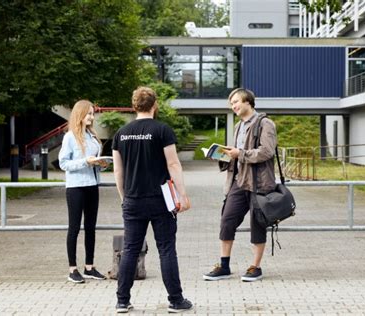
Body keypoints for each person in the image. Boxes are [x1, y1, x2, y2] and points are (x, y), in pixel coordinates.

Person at [112, 86, 193, 314]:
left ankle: (122, 301)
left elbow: (118, 171)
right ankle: (176, 301)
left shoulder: (121, 134)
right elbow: (173, 164)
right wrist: (182, 195)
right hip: (161, 200)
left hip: (133, 200)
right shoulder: (162, 130)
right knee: (167, 249)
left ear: (133, 106)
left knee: (130, 249)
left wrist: (124, 197)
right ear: (154, 105)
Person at [203, 88, 277, 282]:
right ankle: (224, 266)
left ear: (248, 102)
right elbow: (236, 154)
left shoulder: (265, 123)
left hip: (259, 183)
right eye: (231, 103)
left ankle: (255, 267)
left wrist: (240, 153)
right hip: (238, 181)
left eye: (236, 101)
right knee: (227, 220)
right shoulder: (238, 126)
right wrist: (223, 155)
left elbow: (267, 151)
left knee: (257, 224)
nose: (233, 106)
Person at [58, 100, 108, 283]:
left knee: (90, 228)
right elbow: (63, 163)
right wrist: (85, 162)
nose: (92, 117)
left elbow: (95, 162)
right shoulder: (70, 137)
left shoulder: (92, 136)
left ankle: (89, 267)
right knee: (74, 228)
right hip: (76, 187)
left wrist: (102, 164)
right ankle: (72, 269)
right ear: (80, 114)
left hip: (92, 186)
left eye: (93, 114)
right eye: (89, 114)